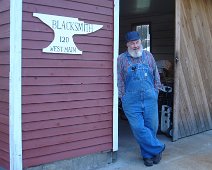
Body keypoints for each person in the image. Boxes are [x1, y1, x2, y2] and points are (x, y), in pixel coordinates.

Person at [117, 31, 165, 167]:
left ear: (140, 42)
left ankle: (148, 155)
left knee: (152, 127)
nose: (135, 45)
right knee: (138, 128)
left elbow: (156, 75)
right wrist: (123, 97)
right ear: (127, 44)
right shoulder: (121, 59)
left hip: (150, 98)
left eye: (137, 42)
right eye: (132, 43)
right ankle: (158, 148)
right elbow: (119, 79)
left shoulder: (149, 56)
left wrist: (155, 92)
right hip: (131, 100)